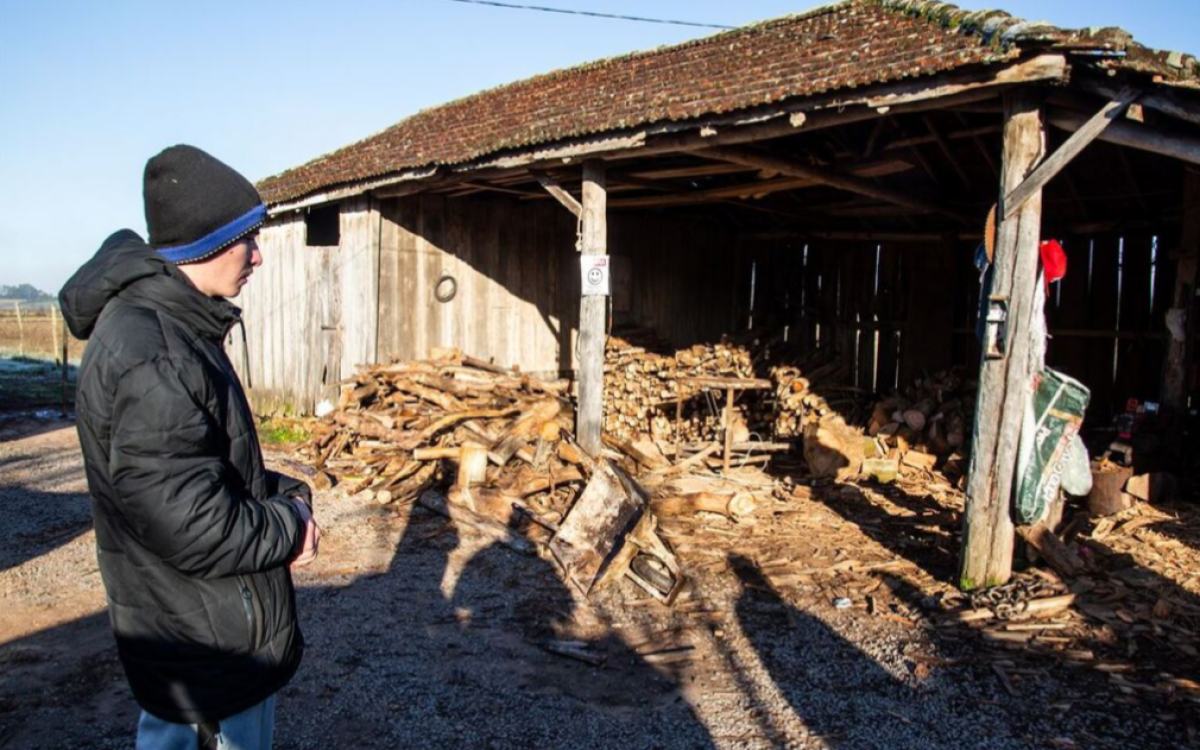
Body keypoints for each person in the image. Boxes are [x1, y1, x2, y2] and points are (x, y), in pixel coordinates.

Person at [60, 145, 320, 750]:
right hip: (206, 645)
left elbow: (199, 467)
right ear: (202, 243)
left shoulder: (169, 327)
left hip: (198, 633)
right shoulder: (154, 353)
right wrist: (290, 527)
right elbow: (193, 524)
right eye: (245, 239)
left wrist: (288, 494)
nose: (258, 255)